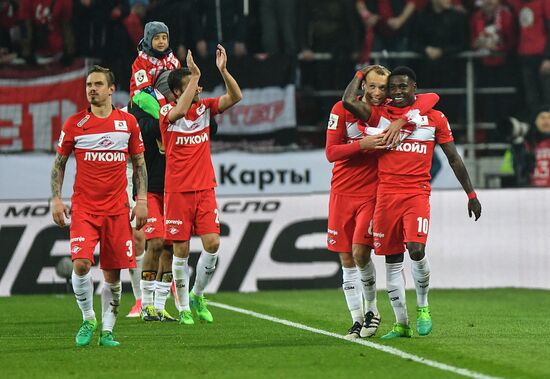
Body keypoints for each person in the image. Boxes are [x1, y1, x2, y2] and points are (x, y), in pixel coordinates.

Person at [343, 66, 481, 339]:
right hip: (385, 197)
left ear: (414, 88)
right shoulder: (380, 114)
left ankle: (423, 307)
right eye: (392, 88)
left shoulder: (434, 118)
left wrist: (471, 194)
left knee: (416, 250)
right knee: (391, 260)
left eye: (403, 87)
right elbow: (348, 101)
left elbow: (453, 157)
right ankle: (402, 324)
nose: (396, 92)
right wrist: (361, 74)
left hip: (416, 194)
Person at [331, 65, 440, 339]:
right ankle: (357, 319)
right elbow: (331, 152)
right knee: (346, 258)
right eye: (373, 86)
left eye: (383, 87)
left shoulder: (391, 109)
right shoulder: (343, 109)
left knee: (360, 253)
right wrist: (362, 145)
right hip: (342, 191)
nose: (379, 92)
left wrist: (401, 121)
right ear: (363, 86)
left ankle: (371, 311)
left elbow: (430, 98)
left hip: (374, 193)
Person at [50, 65, 148, 347]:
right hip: (84, 209)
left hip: (117, 210)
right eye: (88, 85)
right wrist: (56, 198)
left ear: (111, 89)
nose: (91, 89)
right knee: (80, 264)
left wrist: (141, 200)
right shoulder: (74, 125)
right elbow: (59, 164)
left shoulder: (127, 123)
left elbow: (140, 164)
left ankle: (107, 331)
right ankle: (88, 318)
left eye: (97, 84)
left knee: (112, 275)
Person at [159, 46, 242, 324]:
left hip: (205, 188)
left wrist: (223, 70)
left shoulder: (205, 109)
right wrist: (194, 73)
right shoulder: (167, 113)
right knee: (181, 250)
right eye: (192, 85)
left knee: (213, 242)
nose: (198, 89)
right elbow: (180, 110)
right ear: (176, 93)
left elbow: (236, 96)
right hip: (177, 191)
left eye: (197, 83)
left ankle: (197, 295)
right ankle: (183, 309)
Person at [128, 69, 178, 322]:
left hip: (175, 187)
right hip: (149, 188)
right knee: (156, 242)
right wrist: (170, 114)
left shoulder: (185, 108)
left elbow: (212, 125)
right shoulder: (139, 106)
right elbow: (145, 128)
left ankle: (159, 305)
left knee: (170, 245)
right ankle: (145, 303)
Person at [130, 21, 180, 117]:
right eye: (156, 38)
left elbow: (179, 78)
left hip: (165, 90)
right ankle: (163, 120)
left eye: (164, 38)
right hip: (142, 93)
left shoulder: (172, 59)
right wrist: (162, 99)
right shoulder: (141, 61)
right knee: (147, 100)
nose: (161, 41)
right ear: (149, 40)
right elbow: (144, 86)